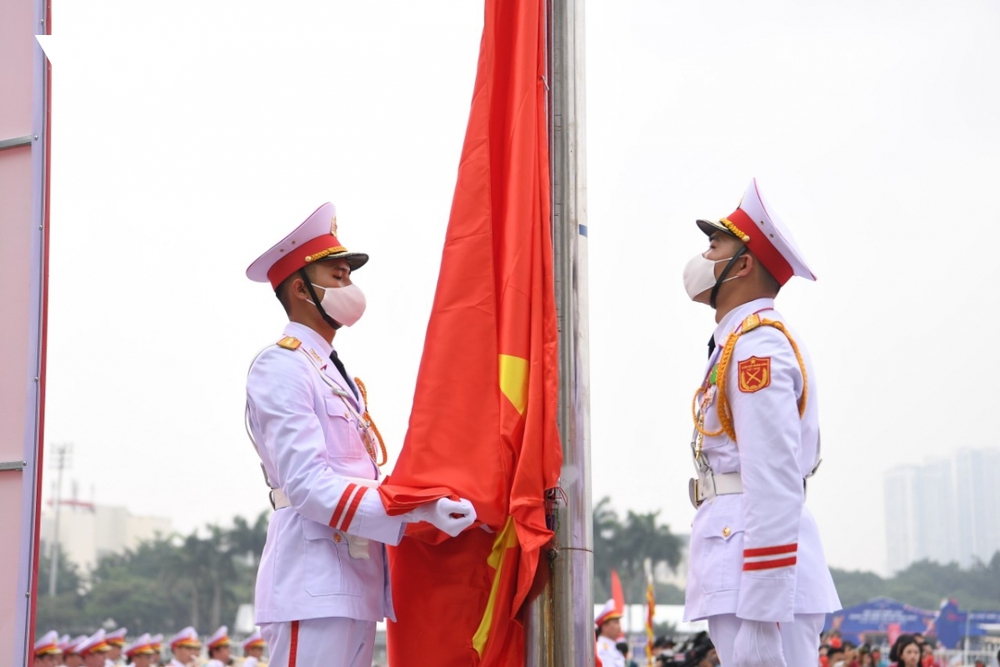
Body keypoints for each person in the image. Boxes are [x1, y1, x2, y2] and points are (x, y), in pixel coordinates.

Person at [244, 203, 477, 667]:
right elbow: (308, 486)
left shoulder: (331, 372)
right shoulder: (282, 365)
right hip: (311, 580)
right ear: (300, 289)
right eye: (338, 277)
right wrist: (411, 512)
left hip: (352, 575)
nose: (350, 287)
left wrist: (422, 501)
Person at [681, 179, 841, 667]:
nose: (702, 258)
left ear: (743, 264)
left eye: (714, 246)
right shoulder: (739, 342)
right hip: (738, 556)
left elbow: (772, 477)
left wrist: (760, 612)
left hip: (755, 569)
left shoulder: (758, 347)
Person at [594, 600, 625, 667]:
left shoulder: (613, 647)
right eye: (616, 622)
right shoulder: (601, 649)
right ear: (604, 627)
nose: (619, 626)